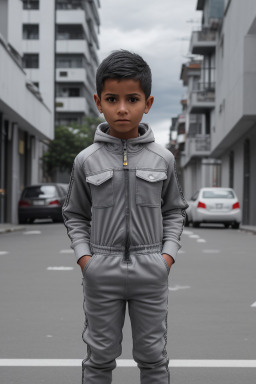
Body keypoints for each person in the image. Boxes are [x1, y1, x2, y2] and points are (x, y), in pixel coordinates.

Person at [62, 50, 188, 384]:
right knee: (99, 357)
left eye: (132, 99)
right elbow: (74, 213)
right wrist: (85, 258)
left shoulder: (163, 159)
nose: (121, 108)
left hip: (151, 269)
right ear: (98, 101)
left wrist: (166, 257)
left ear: (147, 103)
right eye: (111, 99)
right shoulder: (86, 160)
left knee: (153, 358)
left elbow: (174, 210)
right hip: (101, 270)